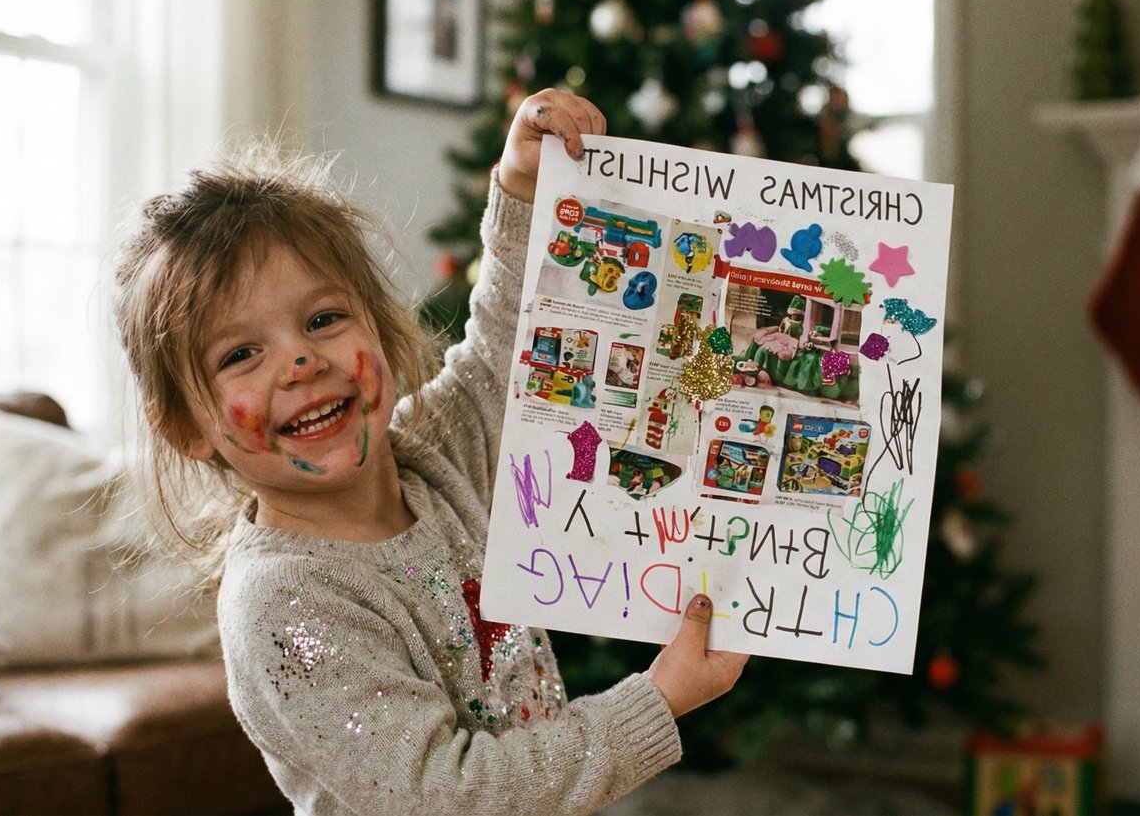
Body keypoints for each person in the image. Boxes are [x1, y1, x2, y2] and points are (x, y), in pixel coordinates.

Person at [111, 89, 748, 815]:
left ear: (381, 330)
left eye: (322, 319)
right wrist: (657, 699)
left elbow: (503, 347)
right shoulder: (281, 604)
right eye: (241, 354)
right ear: (187, 428)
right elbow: (452, 793)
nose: (298, 361)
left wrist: (519, 190)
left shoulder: (432, 456)